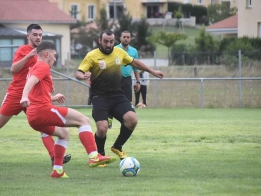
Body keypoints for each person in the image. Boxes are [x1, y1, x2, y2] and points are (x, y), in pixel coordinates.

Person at [0, 24, 71, 165]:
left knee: (45, 124)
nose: (38, 37)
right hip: (16, 94)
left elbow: (42, 74)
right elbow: (13, 69)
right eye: (35, 34)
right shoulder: (23, 50)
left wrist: (49, 86)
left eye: (40, 35)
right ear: (28, 36)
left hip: (33, 97)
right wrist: (27, 56)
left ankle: (54, 157)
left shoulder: (44, 53)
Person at [20, 41, 116, 178]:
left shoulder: (33, 68)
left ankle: (57, 170)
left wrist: (52, 97)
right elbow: (30, 84)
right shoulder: (42, 66)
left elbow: (35, 93)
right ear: (47, 54)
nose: (55, 59)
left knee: (64, 133)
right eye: (54, 55)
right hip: (42, 111)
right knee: (84, 120)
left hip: (33, 116)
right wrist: (23, 97)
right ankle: (94, 156)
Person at [75, 29, 163, 165]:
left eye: (111, 41)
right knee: (102, 128)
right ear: (100, 41)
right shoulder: (92, 55)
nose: (108, 44)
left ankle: (117, 146)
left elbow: (135, 63)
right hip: (99, 97)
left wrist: (152, 71)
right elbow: (78, 73)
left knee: (132, 119)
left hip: (117, 95)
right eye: (105, 41)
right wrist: (83, 76)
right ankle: (100, 154)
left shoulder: (119, 52)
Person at [108, 30, 141, 129]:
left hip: (127, 79)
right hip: (115, 79)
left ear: (130, 39)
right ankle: (109, 119)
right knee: (112, 99)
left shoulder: (134, 51)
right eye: (124, 37)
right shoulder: (115, 49)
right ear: (120, 38)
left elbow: (136, 68)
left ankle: (125, 121)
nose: (126, 39)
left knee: (126, 101)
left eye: (128, 37)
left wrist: (138, 81)